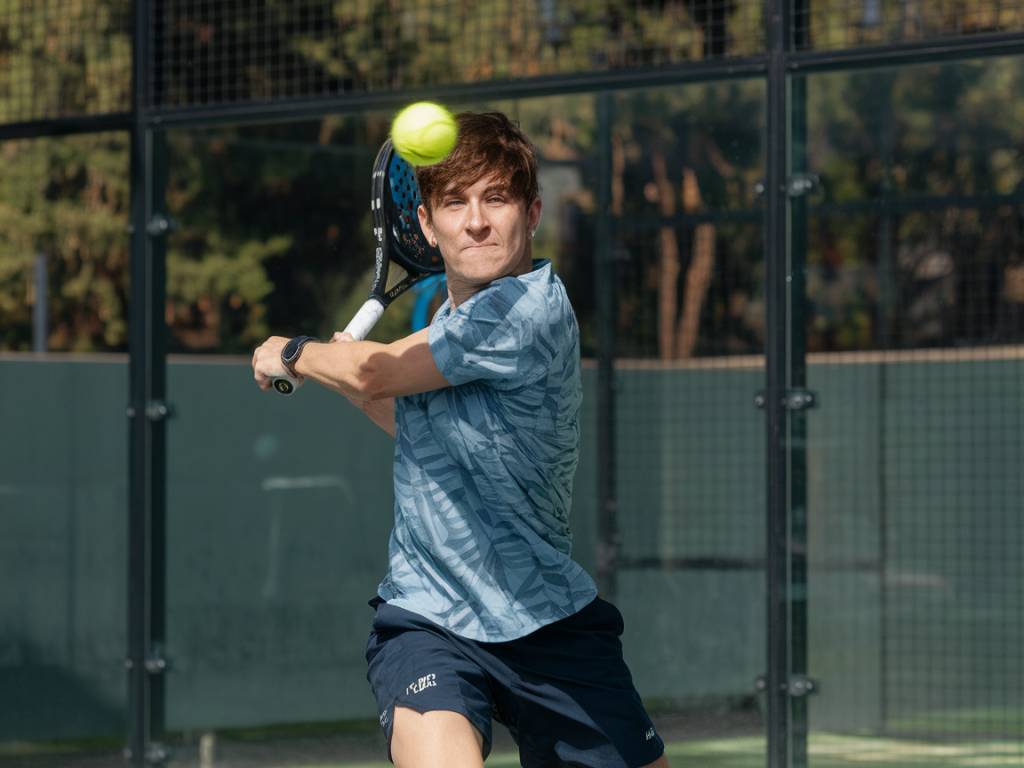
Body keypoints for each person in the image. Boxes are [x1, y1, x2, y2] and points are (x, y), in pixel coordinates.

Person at [252, 112, 669, 768]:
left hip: (548, 620)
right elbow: (396, 407)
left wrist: (295, 352)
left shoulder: (528, 311)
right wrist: (360, 377)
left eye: (495, 199)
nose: (476, 221)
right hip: (429, 618)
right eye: (455, 202)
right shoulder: (451, 321)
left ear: (532, 214)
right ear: (425, 225)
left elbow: (372, 370)